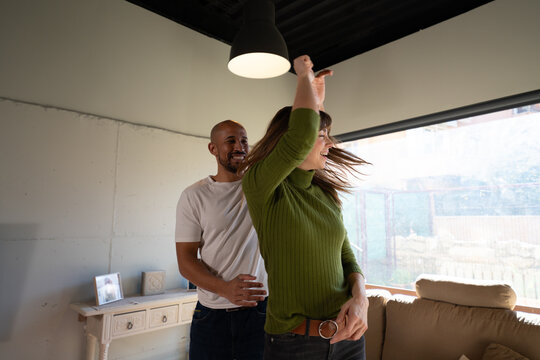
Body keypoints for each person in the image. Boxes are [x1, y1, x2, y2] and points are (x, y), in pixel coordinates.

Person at [240, 55, 370, 360]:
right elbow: (300, 138)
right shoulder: (262, 187)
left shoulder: (324, 195)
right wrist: (303, 78)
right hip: (294, 345)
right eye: (322, 135)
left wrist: (361, 297)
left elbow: (346, 256)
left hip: (349, 340)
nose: (330, 144)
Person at [175, 119, 268, 360]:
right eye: (230, 141)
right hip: (210, 316)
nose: (240, 146)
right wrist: (225, 288)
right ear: (213, 149)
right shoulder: (194, 196)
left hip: (260, 314)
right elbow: (185, 261)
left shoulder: (260, 187)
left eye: (244, 140)